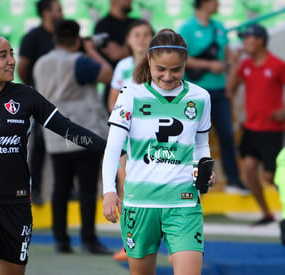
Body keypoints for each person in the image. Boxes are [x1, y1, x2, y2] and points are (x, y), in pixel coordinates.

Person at [0, 31, 110, 275]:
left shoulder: (26, 96)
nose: (11, 61)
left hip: (15, 204)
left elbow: (67, 129)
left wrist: (111, 148)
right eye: (2, 55)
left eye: (11, 54)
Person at [102, 29, 216, 275]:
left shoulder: (200, 97)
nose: (168, 76)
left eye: (176, 69)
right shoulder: (130, 95)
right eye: (161, 69)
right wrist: (109, 191)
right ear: (149, 61)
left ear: (185, 64)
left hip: (184, 202)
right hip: (139, 204)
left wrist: (204, 167)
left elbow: (201, 143)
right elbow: (113, 147)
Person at [33, 19, 113, 254]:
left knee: (60, 188)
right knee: (87, 189)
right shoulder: (80, 61)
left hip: (54, 135)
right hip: (83, 132)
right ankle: (88, 240)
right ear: (77, 40)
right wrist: (90, 50)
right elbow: (108, 75)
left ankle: (61, 240)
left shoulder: (40, 63)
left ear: (55, 38)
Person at [178, 0, 247, 194]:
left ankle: (233, 180)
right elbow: (182, 58)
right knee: (191, 138)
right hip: (195, 93)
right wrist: (209, 66)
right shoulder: (187, 27)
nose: (218, 3)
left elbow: (227, 56)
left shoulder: (219, 27)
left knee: (227, 135)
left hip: (219, 91)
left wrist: (231, 77)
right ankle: (192, 181)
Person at [227, 24, 285, 226]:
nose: (244, 43)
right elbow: (230, 91)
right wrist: (234, 65)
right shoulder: (245, 65)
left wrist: (283, 110)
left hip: (271, 130)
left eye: (247, 39)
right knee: (249, 170)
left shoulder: (277, 65)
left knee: (270, 177)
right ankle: (267, 213)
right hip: (251, 128)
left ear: (260, 40)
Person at [107, 18, 155, 262]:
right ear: (128, 39)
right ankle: (129, 243)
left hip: (156, 138)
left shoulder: (160, 65)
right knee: (126, 187)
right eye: (136, 34)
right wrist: (120, 130)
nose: (141, 38)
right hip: (129, 136)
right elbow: (113, 99)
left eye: (146, 34)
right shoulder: (123, 66)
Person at [17, 0, 63, 205]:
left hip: (64, 97)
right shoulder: (33, 37)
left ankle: (68, 188)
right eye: (58, 9)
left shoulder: (64, 36)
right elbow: (23, 66)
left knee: (67, 140)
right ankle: (34, 190)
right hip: (41, 98)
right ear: (46, 13)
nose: (61, 13)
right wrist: (33, 89)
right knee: (40, 144)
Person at [94, 0, 137, 109]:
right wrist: (139, 48)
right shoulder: (102, 26)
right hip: (115, 88)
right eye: (137, 36)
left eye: (144, 36)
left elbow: (154, 48)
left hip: (143, 87)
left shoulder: (137, 23)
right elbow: (116, 54)